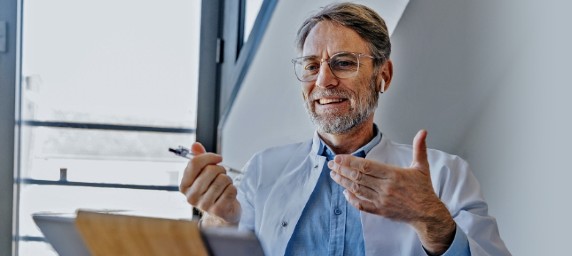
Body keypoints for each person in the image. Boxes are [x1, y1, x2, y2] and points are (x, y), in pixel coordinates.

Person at [180, 2, 510, 255]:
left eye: (344, 62)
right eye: (311, 66)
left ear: (384, 76)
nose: (324, 80)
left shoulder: (445, 175)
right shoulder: (263, 169)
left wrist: (432, 219)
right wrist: (218, 219)